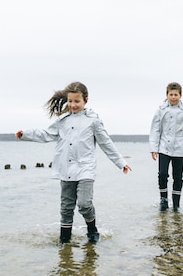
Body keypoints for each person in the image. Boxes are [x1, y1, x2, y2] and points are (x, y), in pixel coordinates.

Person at [15, 81, 131, 244]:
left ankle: (92, 229)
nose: (73, 105)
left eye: (77, 101)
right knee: (66, 207)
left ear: (86, 100)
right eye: (70, 101)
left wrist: (120, 162)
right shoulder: (63, 120)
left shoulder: (93, 120)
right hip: (66, 168)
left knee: (84, 204)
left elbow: (106, 143)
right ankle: (65, 240)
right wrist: (25, 134)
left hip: (86, 168)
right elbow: (47, 134)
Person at [149, 82, 183, 212]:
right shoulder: (160, 110)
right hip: (164, 147)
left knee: (178, 177)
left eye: (176, 94)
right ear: (167, 95)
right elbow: (155, 130)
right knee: (162, 174)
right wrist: (153, 148)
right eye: (171, 94)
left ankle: (176, 204)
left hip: (179, 149)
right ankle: (163, 200)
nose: (173, 97)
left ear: (180, 95)